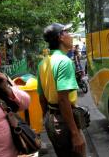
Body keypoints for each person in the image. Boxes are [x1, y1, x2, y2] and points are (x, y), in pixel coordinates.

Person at [37, 23, 86, 157]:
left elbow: (41, 98)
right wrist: (75, 134)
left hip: (52, 119)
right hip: (64, 122)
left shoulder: (42, 63)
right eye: (67, 32)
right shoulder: (64, 62)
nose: (70, 36)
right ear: (60, 37)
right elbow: (63, 100)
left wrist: (47, 119)